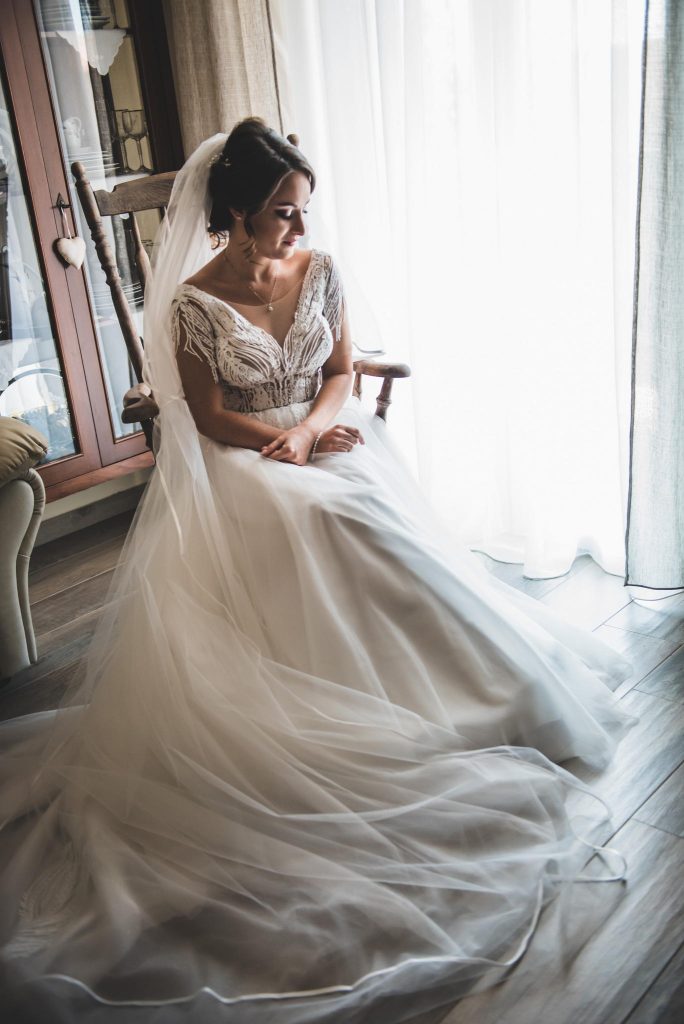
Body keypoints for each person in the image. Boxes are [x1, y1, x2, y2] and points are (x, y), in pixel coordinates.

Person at [0, 118, 633, 1024]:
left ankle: (468, 689)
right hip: (243, 457)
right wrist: (281, 443)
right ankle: (361, 705)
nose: (297, 230)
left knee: (369, 507)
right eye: (281, 215)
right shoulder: (190, 304)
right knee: (332, 515)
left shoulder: (319, 271)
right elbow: (208, 416)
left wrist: (311, 429)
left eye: (301, 213)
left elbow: (338, 373)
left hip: (320, 434)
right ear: (234, 212)